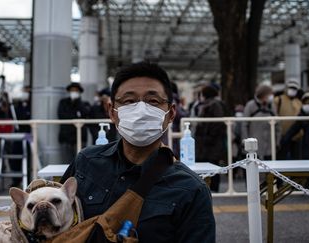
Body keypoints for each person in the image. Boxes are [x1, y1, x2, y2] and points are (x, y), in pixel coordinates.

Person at [60, 62, 215, 242]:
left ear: (171, 114)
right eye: (129, 101)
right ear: (112, 112)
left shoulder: (191, 189)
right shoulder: (86, 161)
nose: (141, 111)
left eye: (153, 101)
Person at [194, 85, 226, 192]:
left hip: (210, 142)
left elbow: (217, 123)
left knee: (212, 164)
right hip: (209, 142)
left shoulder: (213, 104)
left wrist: (209, 136)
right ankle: (210, 188)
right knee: (210, 164)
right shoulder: (213, 104)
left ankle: (212, 189)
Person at [242, 84, 281, 161]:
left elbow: (277, 125)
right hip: (254, 146)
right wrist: (245, 142)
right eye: (270, 94)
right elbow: (244, 125)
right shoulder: (250, 105)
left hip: (269, 147)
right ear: (264, 95)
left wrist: (277, 142)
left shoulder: (272, 106)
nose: (272, 96)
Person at [57, 82, 91, 164]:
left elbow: (86, 114)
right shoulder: (63, 102)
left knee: (80, 162)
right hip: (65, 137)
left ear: (79, 92)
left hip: (80, 137)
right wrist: (76, 116)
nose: (74, 92)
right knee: (66, 163)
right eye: (72, 90)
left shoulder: (84, 104)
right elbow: (61, 116)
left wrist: (78, 102)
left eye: (76, 90)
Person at [274, 79, 303, 160]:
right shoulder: (278, 100)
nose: (292, 90)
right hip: (282, 136)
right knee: (281, 158)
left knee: (296, 159)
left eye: (294, 89)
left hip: (296, 137)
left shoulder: (299, 102)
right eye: (291, 88)